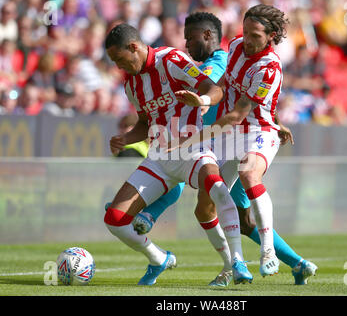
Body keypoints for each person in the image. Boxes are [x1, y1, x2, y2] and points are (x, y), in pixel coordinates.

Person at [134, 11, 317, 286]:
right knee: (217, 211)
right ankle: (292, 264)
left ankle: (246, 262)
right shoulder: (234, 48)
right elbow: (230, 92)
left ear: (207, 36)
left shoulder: (221, 61)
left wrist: (190, 125)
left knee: (227, 197)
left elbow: (231, 101)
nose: (187, 45)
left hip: (237, 136)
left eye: (191, 38)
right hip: (224, 139)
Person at [103, 23, 252, 286]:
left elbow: (214, 89)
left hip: (192, 149)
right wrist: (125, 138)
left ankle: (235, 262)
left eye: (119, 59)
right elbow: (144, 122)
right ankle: (158, 258)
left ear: (134, 47)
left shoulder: (171, 59)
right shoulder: (132, 84)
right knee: (114, 220)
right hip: (159, 159)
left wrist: (202, 101)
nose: (118, 66)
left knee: (217, 189)